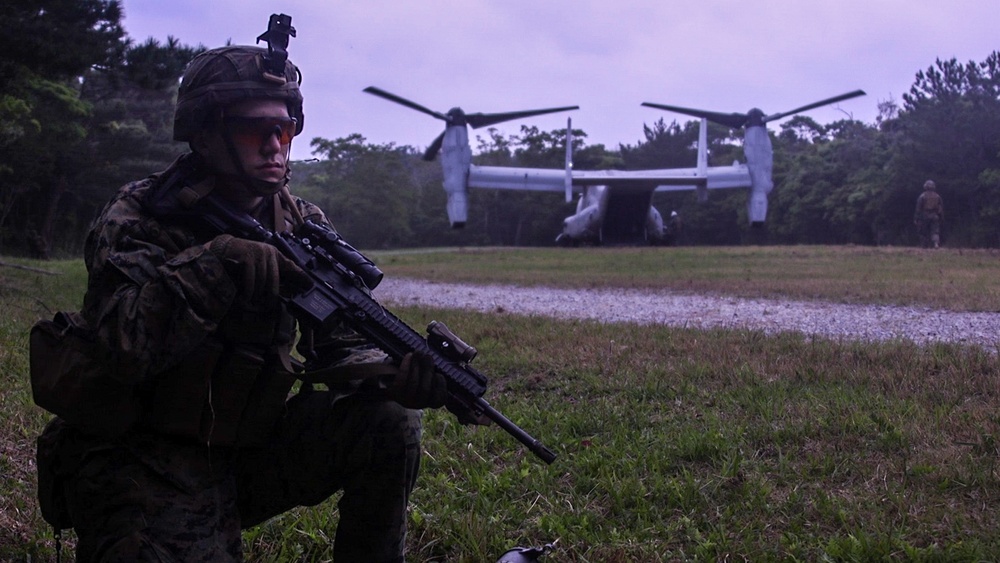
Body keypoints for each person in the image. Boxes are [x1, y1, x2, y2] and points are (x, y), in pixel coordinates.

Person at [35, 17, 449, 562]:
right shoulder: (141, 214)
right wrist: (218, 264)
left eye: (287, 129)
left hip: (251, 447)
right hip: (143, 455)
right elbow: (121, 347)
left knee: (389, 423)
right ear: (204, 134)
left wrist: (397, 373)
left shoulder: (301, 223)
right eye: (257, 131)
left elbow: (344, 340)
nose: (276, 146)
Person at [914, 179, 944, 248]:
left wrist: (916, 218)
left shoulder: (922, 196)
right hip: (935, 216)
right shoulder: (937, 196)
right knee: (935, 231)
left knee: (923, 231)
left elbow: (918, 208)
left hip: (924, 215)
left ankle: (925, 245)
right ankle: (936, 243)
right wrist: (941, 217)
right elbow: (940, 208)